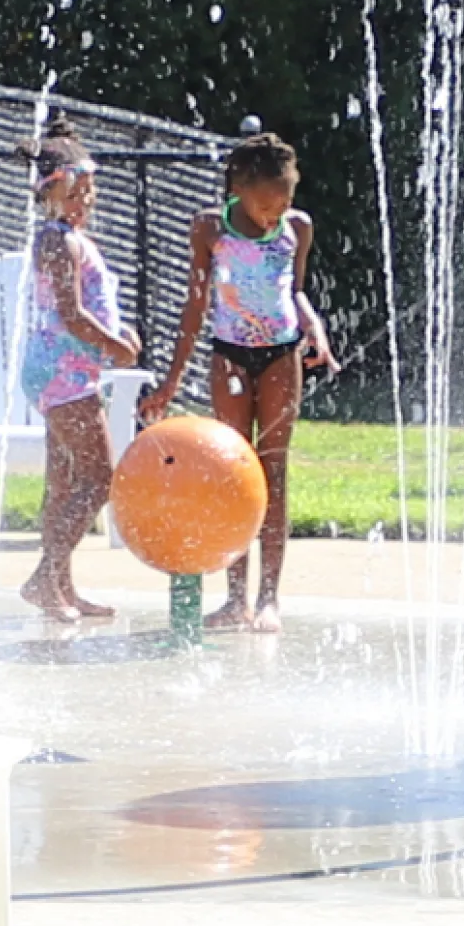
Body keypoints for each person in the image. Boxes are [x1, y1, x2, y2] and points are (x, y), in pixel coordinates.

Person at [140, 132, 339, 633]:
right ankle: (234, 599)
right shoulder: (211, 228)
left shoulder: (298, 227)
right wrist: (171, 381)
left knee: (272, 469)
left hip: (281, 354)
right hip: (229, 355)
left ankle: (269, 597)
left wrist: (314, 329)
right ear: (237, 190)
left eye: (284, 202)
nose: (275, 213)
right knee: (232, 471)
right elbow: (197, 304)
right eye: (267, 203)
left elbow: (292, 291)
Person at [18, 115, 141, 622]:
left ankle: (61, 590)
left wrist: (120, 330)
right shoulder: (57, 240)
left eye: (91, 191)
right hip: (65, 374)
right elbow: (72, 313)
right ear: (54, 191)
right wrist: (116, 346)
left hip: (61, 370)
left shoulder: (66, 238)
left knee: (65, 485)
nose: (87, 200)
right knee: (99, 480)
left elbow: (88, 304)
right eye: (79, 192)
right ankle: (45, 576)